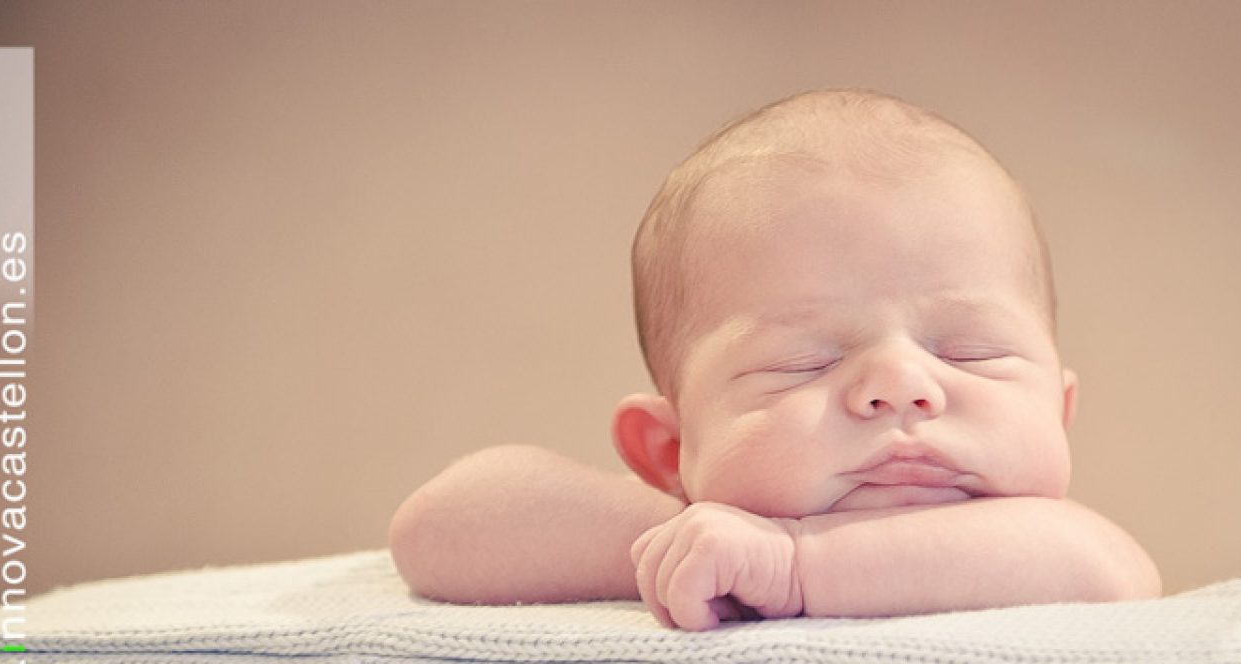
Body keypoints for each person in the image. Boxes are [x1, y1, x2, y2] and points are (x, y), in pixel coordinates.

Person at [389, 89, 1161, 630]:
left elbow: (1104, 570)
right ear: (671, 449)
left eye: (970, 351)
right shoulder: (713, 538)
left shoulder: (1045, 547)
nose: (900, 385)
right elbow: (438, 526)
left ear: (1059, 414)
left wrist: (793, 567)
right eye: (804, 362)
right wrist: (690, 542)